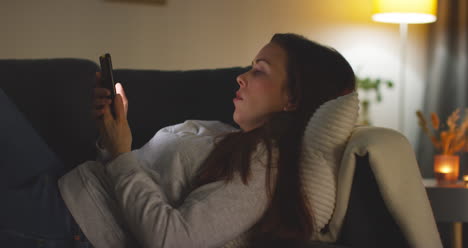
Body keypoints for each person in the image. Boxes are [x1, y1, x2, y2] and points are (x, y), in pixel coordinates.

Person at [0, 33, 356, 247]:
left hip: (69, 224)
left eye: (259, 70)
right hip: (65, 185)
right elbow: (132, 176)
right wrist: (111, 135)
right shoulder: (228, 135)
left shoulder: (263, 170)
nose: (241, 77)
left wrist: (123, 152)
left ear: (292, 99)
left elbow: (172, 239)